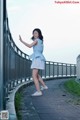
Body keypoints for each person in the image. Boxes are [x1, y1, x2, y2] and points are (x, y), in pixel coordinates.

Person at [19, 28, 48, 96]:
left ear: (39, 34)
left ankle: (38, 91)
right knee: (37, 75)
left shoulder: (36, 40)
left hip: (37, 59)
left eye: (36, 33)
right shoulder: (41, 41)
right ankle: (44, 86)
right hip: (39, 59)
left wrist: (21, 41)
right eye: (33, 33)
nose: (34, 34)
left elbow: (29, 46)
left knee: (34, 76)